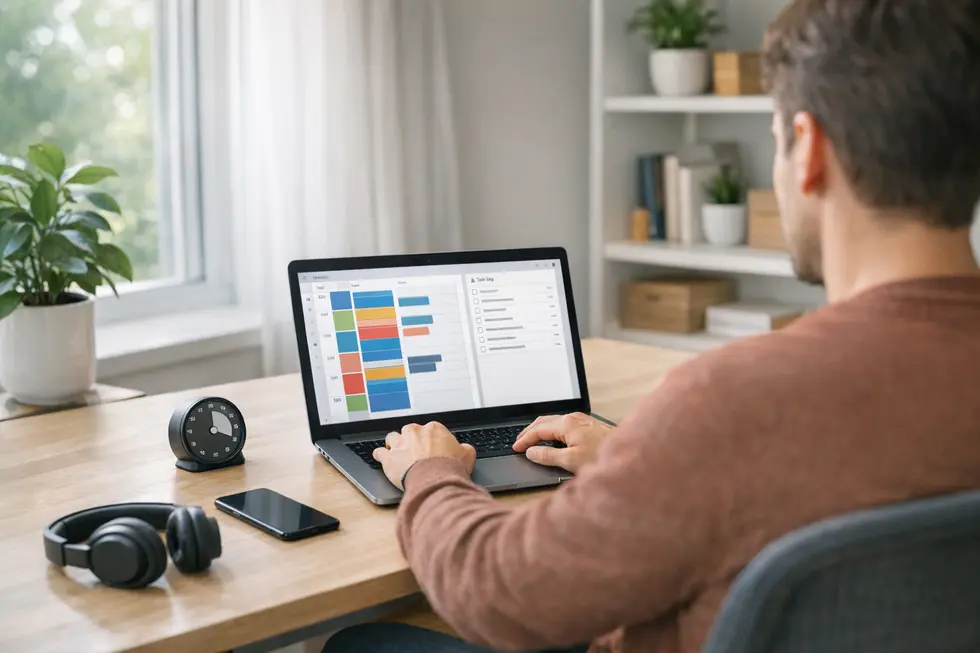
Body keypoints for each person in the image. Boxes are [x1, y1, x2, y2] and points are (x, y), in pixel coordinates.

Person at [324, 1, 980, 652]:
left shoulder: (735, 401)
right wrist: (645, 465)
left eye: (776, 139)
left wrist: (432, 473)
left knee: (363, 644)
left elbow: (499, 593)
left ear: (807, 150)